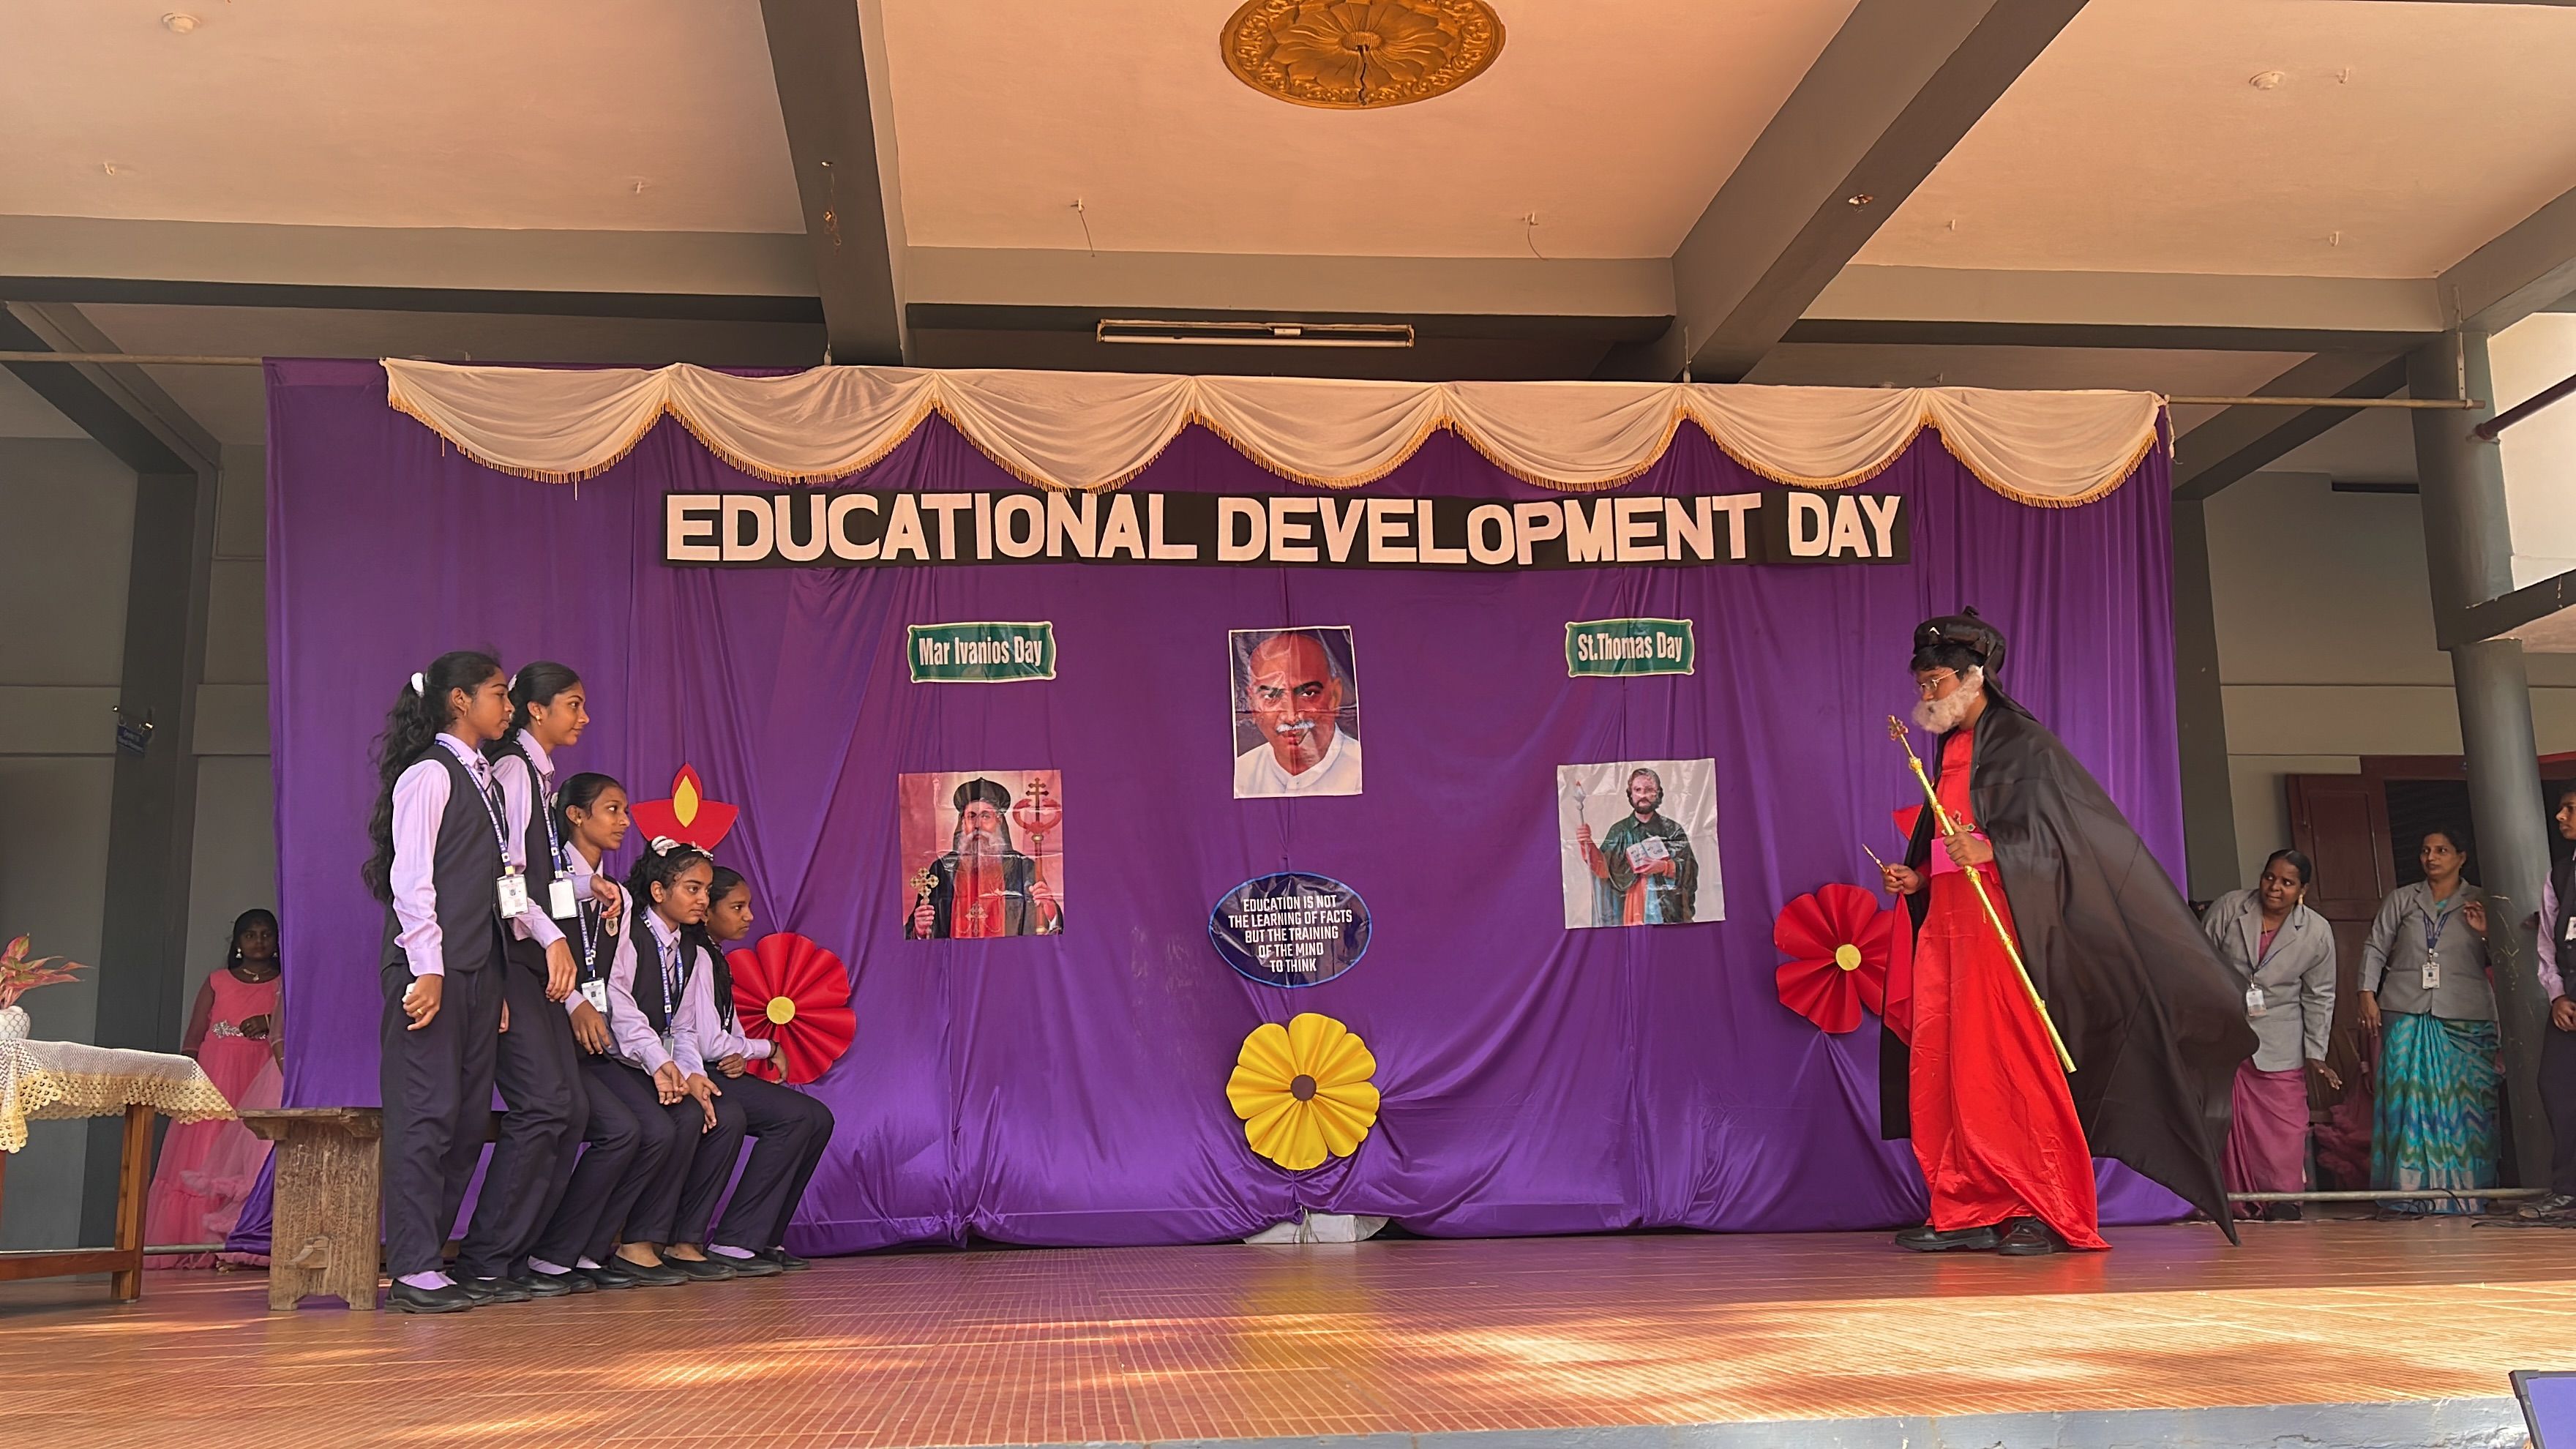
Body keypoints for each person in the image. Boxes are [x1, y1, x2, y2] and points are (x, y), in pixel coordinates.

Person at [1876, 612, 2253, 1256]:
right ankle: (1967, 1206)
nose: (1927, 696)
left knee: (2012, 1067)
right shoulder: (1950, 749)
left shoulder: (2025, 744)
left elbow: (2070, 843)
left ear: (1975, 678)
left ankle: (2043, 1207)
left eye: (1937, 682)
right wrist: (1921, 877)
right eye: (1923, 684)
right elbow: (1950, 837)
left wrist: (1993, 849)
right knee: (1948, 1068)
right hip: (1949, 931)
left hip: (2008, 934)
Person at [365, 651, 514, 1314]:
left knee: (464, 1119)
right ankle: (414, 1265)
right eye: (498, 693)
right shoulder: (429, 774)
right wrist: (428, 968)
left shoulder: (488, 780)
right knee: (425, 1115)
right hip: (432, 970)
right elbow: (412, 879)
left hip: (478, 971)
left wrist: (495, 975)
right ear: (460, 700)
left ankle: (431, 1258)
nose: (508, 707)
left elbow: (499, 887)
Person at [453, 662, 588, 1300]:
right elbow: (504, 879)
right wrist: (545, 939)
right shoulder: (511, 771)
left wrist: (587, 889)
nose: (583, 717)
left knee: (572, 1109)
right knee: (543, 1105)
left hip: (537, 961)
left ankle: (520, 1255)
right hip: (512, 959)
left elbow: (540, 875)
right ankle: (484, 1258)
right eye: (573, 704)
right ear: (538, 710)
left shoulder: (540, 778)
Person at [522, 771, 678, 1293]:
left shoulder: (622, 899)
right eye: (612, 809)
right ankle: (550, 1253)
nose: (624, 821)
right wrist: (573, 1003)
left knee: (657, 1131)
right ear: (575, 815)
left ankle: (586, 1249)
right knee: (619, 1130)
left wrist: (657, 1059)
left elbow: (618, 990)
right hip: (549, 1033)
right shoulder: (548, 881)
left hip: (596, 1045)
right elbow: (529, 952)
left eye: (626, 811)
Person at [662, 866, 834, 1277]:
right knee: (797, 1117)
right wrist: (767, 1048)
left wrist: (742, 1051)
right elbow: (706, 1043)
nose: (749, 916)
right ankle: (735, 1240)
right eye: (737, 907)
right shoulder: (697, 956)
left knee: (817, 1118)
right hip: (695, 1069)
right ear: (708, 913)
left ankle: (763, 1236)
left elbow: (727, 1032)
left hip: (716, 1065)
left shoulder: (715, 956)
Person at [2359, 825, 2498, 1215]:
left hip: (2466, 1014)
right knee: (2406, 1101)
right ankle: (2408, 1193)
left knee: (2468, 1105)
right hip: (2404, 1008)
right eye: (2425, 850)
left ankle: (2466, 1193)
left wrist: (2487, 933)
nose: (2431, 858)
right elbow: (2375, 946)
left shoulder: (2481, 900)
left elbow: (2510, 958)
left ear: (2461, 857)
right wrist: (2366, 993)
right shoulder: (2403, 899)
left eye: (2441, 850)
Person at [2201, 851, 2340, 1218]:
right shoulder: (2230, 907)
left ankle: (2283, 1199)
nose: (2275, 888)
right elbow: (2199, 961)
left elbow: (2320, 995)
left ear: (2303, 890)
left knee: (2285, 1125)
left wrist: (2316, 1051)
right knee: (2224, 1119)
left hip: (2280, 1036)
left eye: (2287, 883)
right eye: (2269, 877)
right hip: (2226, 1030)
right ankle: (2230, 1199)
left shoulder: (2316, 931)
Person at [143, 910, 285, 1268]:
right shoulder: (217, 981)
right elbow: (193, 1039)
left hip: (261, 1077)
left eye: (266, 934)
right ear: (237, 942)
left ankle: (242, 1245)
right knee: (204, 1151)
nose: (258, 941)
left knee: (252, 1152)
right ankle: (195, 1244)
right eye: (250, 934)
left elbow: (297, 1024)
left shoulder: (285, 983)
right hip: (216, 1078)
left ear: (277, 940)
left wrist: (269, 1022)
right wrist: (187, 1083)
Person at [906, 778, 1061, 938]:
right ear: (963, 823)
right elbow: (918, 933)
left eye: (986, 816)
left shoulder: (1023, 868)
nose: (978, 825)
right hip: (956, 954)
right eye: (971, 816)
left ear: (999, 821)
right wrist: (919, 929)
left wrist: (1050, 910)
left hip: (1008, 953)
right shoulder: (942, 870)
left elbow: (1047, 930)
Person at [1232, 629, 1362, 798]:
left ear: (1335, 696)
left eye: (1308, 694)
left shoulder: (1364, 769)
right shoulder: (1241, 776)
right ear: (1252, 704)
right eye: (1271, 696)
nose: (1291, 716)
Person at [2527, 786, 2576, 1222]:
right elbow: (2547, 943)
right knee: (2557, 1087)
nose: (2560, 816)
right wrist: (2557, 994)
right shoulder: (2561, 873)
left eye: (2571, 809)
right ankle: (2567, 1191)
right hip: (2569, 1001)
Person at [1576, 766, 1698, 926]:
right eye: (1637, 790)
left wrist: (1664, 867)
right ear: (1631, 794)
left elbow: (1690, 869)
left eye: (1649, 790)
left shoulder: (1672, 830)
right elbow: (1604, 869)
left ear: (1658, 793)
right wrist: (1587, 843)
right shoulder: (1620, 831)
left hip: (1666, 911)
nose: (1643, 795)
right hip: (1633, 909)